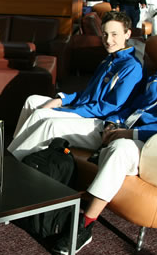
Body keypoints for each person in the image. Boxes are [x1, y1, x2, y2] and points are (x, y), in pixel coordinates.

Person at [51, 25, 157, 255]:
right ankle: (33, 191)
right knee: (55, 125)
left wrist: (131, 134)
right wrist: (113, 122)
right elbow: (134, 105)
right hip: (125, 129)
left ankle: (86, 224)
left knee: (120, 149)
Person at [7, 12, 146, 161]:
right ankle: (14, 148)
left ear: (127, 34)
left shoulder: (131, 67)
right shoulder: (109, 59)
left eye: (114, 34)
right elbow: (89, 93)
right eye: (105, 34)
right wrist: (62, 100)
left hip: (100, 120)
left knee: (41, 115)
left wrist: (66, 110)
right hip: (87, 109)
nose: (108, 40)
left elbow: (109, 108)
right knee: (32, 100)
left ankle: (12, 160)